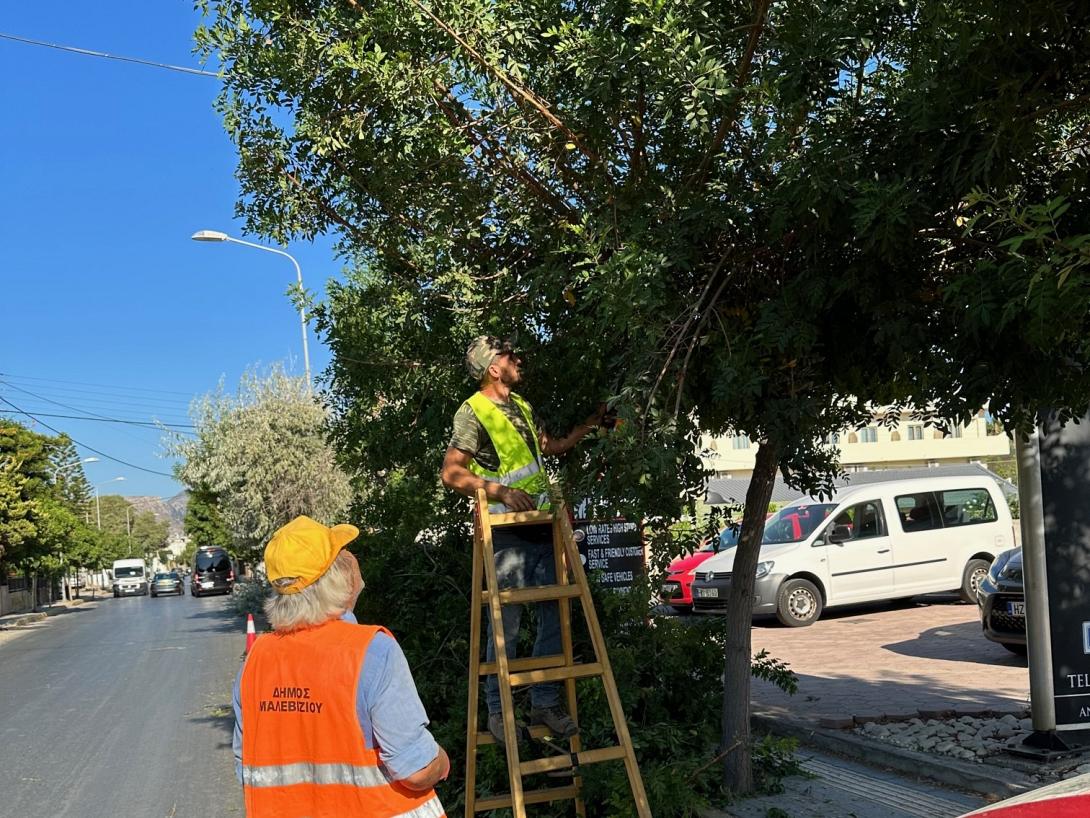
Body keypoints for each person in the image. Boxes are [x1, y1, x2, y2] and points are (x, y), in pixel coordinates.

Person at [440, 335, 603, 745]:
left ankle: (544, 701)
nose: (519, 360)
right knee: (505, 625)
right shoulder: (472, 411)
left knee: (555, 615)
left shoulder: (523, 407)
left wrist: (590, 424)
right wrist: (498, 490)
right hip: (506, 530)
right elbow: (451, 472)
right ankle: (499, 711)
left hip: (543, 527)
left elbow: (550, 447)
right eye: (510, 356)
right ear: (493, 368)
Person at [232, 515, 448, 817]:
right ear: (335, 578)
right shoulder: (371, 651)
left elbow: (247, 768)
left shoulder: (255, 663)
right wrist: (441, 762)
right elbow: (416, 770)